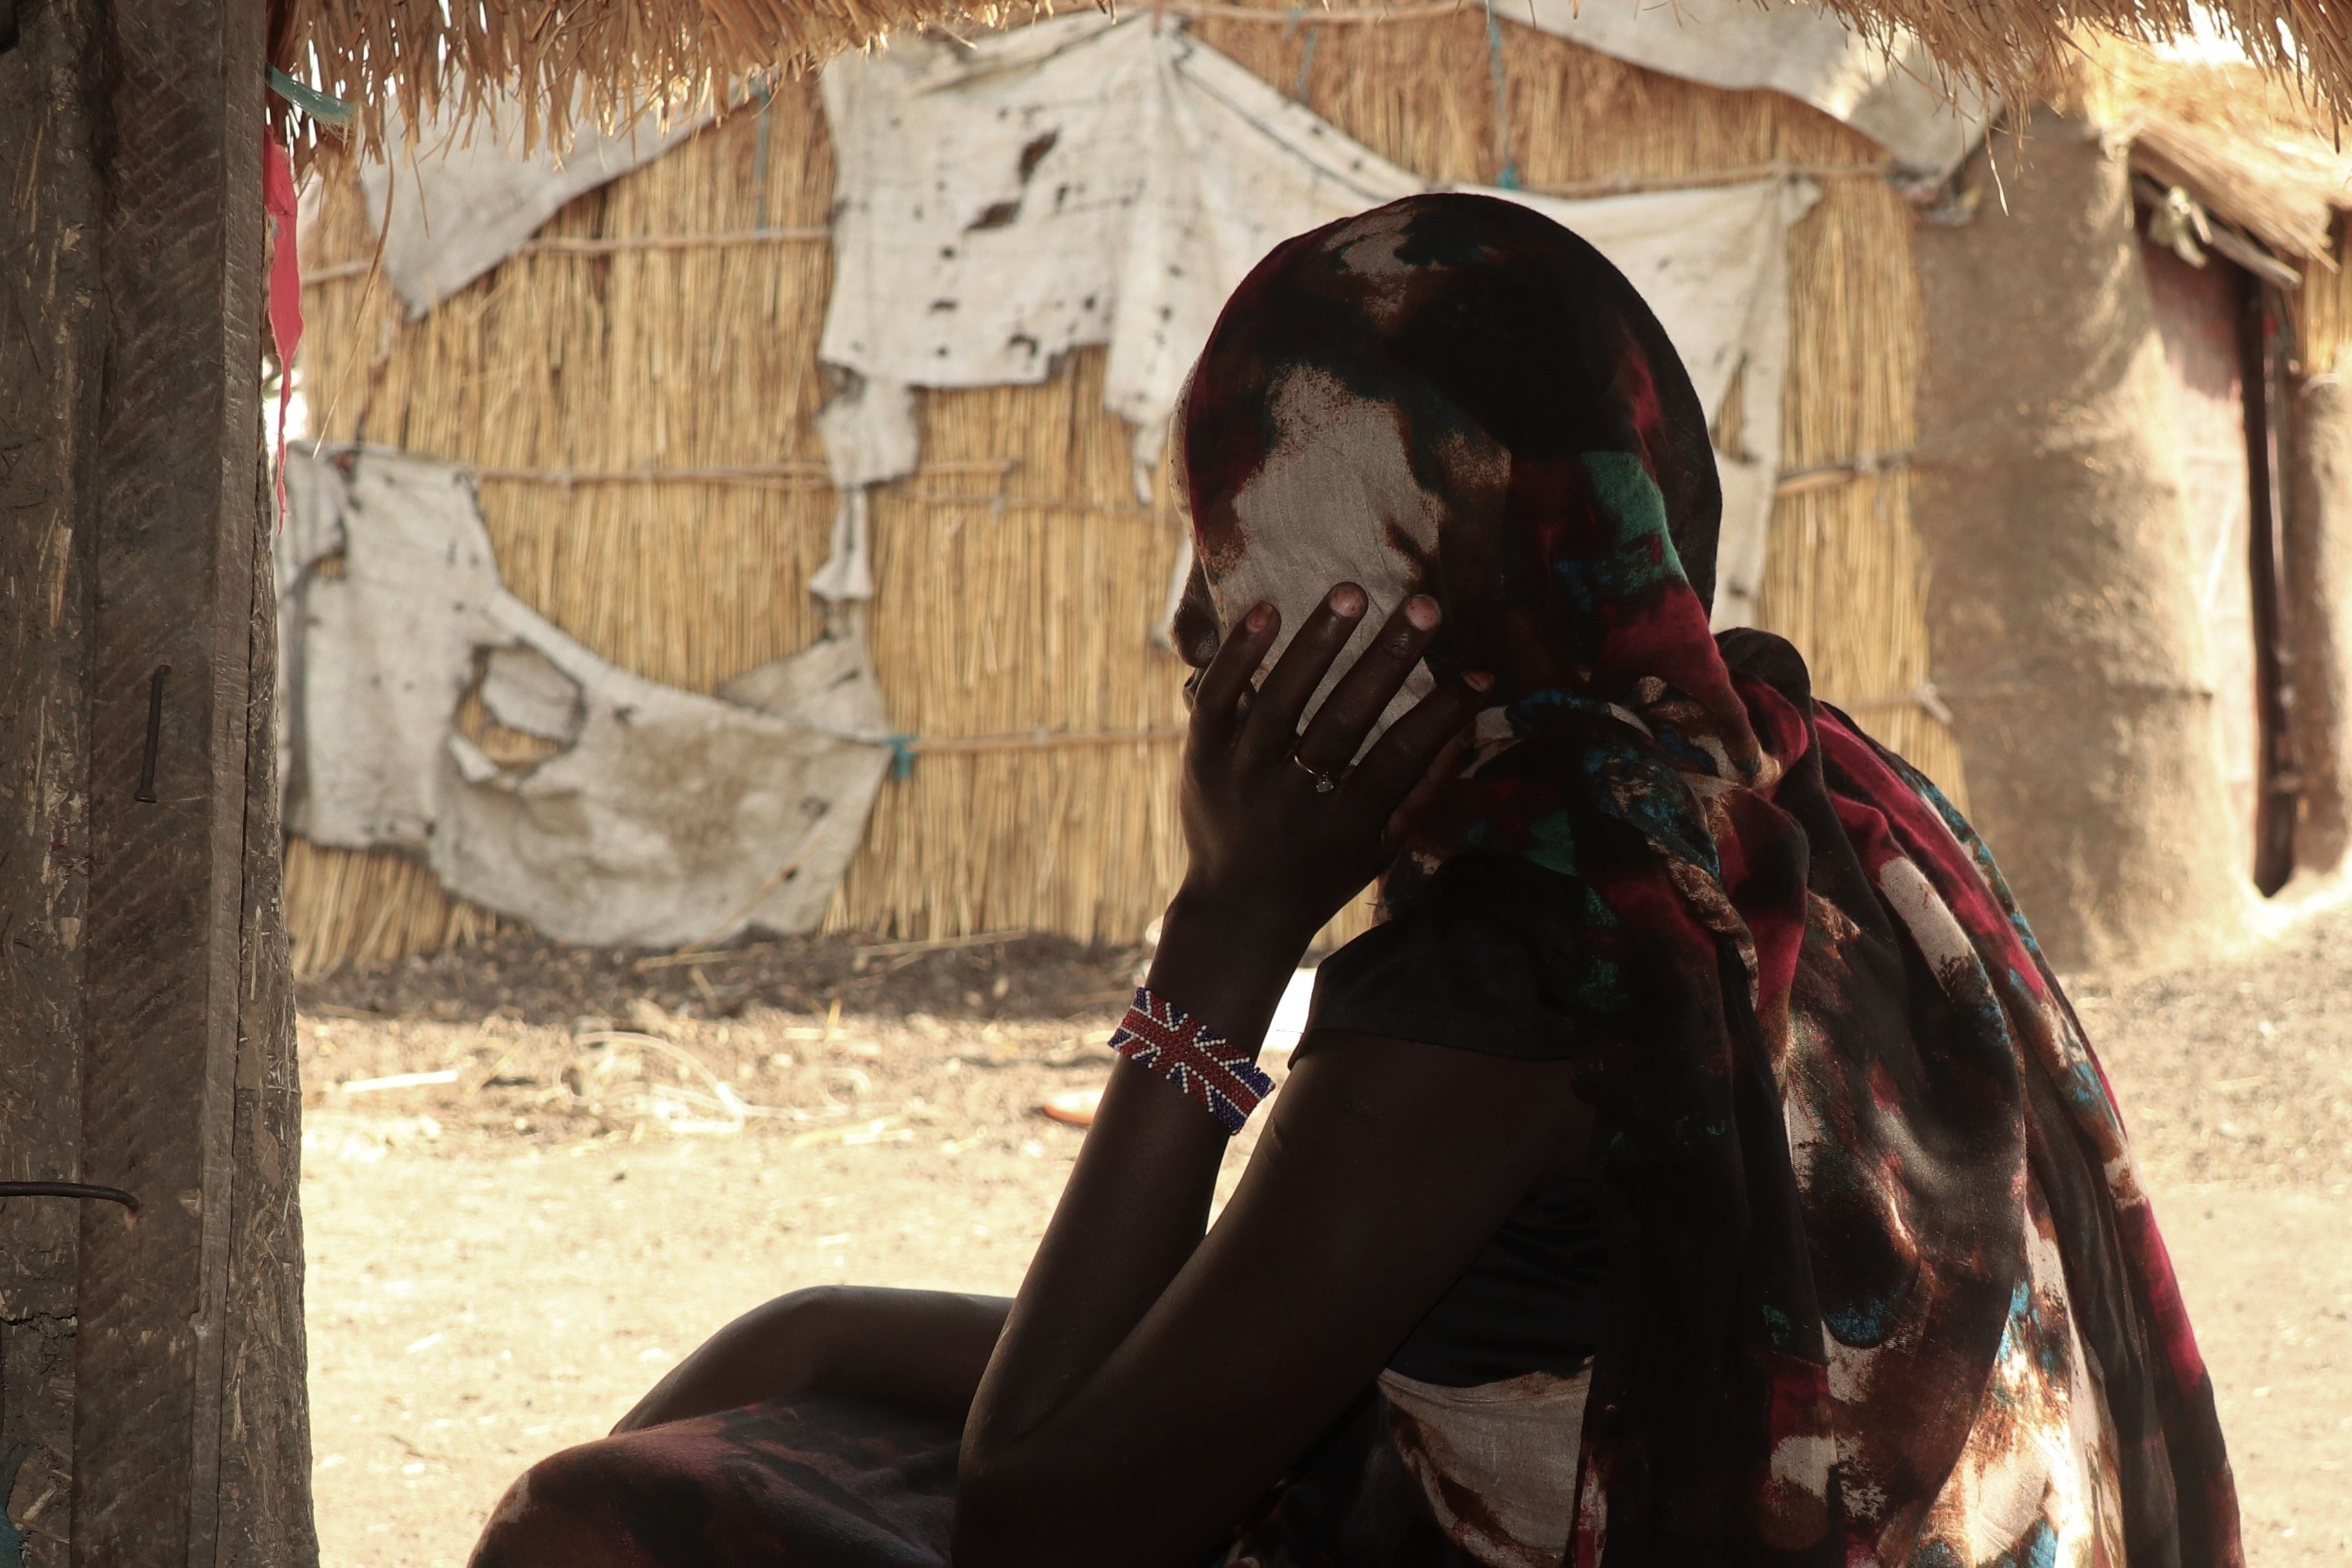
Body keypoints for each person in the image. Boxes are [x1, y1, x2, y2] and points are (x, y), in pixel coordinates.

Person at [470, 192, 2240, 1568]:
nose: (1186, 626)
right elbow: (1303, 1337)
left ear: (1416, 592)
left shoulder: (1535, 975)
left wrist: (1226, 935)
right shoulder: (1794, 793)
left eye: (1238, 554)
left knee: (598, 1532)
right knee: (795, 1348)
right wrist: (820, 1328)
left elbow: (1046, 1522)